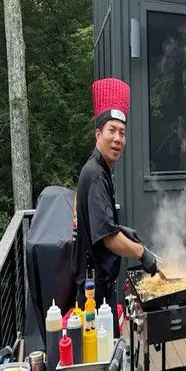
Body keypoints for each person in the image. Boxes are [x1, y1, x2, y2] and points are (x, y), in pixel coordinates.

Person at [74, 78, 158, 313]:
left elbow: (102, 227)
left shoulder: (100, 170)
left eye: (122, 132)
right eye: (111, 130)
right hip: (94, 291)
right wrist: (142, 253)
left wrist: (120, 229)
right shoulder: (96, 175)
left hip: (98, 284)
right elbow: (108, 240)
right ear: (98, 134)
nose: (117, 138)